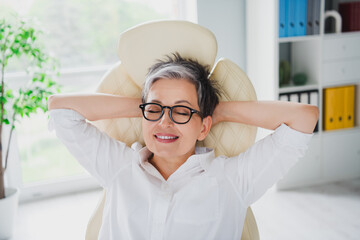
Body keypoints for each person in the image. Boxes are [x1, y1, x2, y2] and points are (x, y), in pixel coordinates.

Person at [48, 53, 319, 240]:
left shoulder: (234, 179)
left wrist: (217, 111)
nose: (165, 122)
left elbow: (304, 118)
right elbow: (60, 109)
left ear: (203, 127)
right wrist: (146, 107)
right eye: (155, 110)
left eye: (181, 111)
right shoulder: (119, 166)